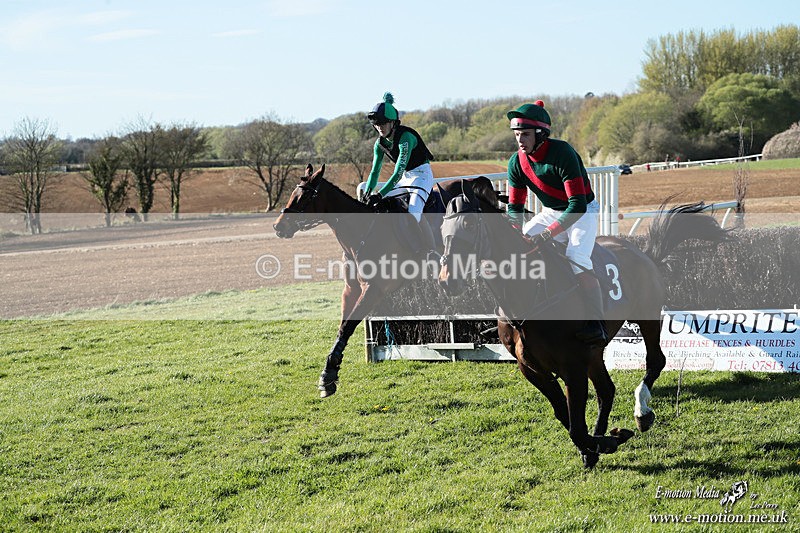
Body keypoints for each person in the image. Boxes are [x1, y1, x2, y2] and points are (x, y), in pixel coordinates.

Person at [505, 100, 607, 346]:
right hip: (553, 210)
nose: (520, 140)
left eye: (525, 135)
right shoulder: (516, 162)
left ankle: (596, 322)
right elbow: (515, 206)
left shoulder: (563, 153)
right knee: (519, 250)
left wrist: (547, 234)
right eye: (517, 134)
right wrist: (515, 231)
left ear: (541, 134)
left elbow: (577, 205)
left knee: (577, 256)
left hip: (582, 210)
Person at [363, 92, 436, 255]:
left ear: (393, 123)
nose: (379, 128)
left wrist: (380, 194)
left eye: (382, 124)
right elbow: (375, 171)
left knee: (412, 214)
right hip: (406, 178)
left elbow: (397, 172)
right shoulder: (379, 144)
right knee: (383, 208)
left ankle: (430, 253)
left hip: (421, 177)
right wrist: (368, 193)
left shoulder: (406, 137)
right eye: (376, 125)